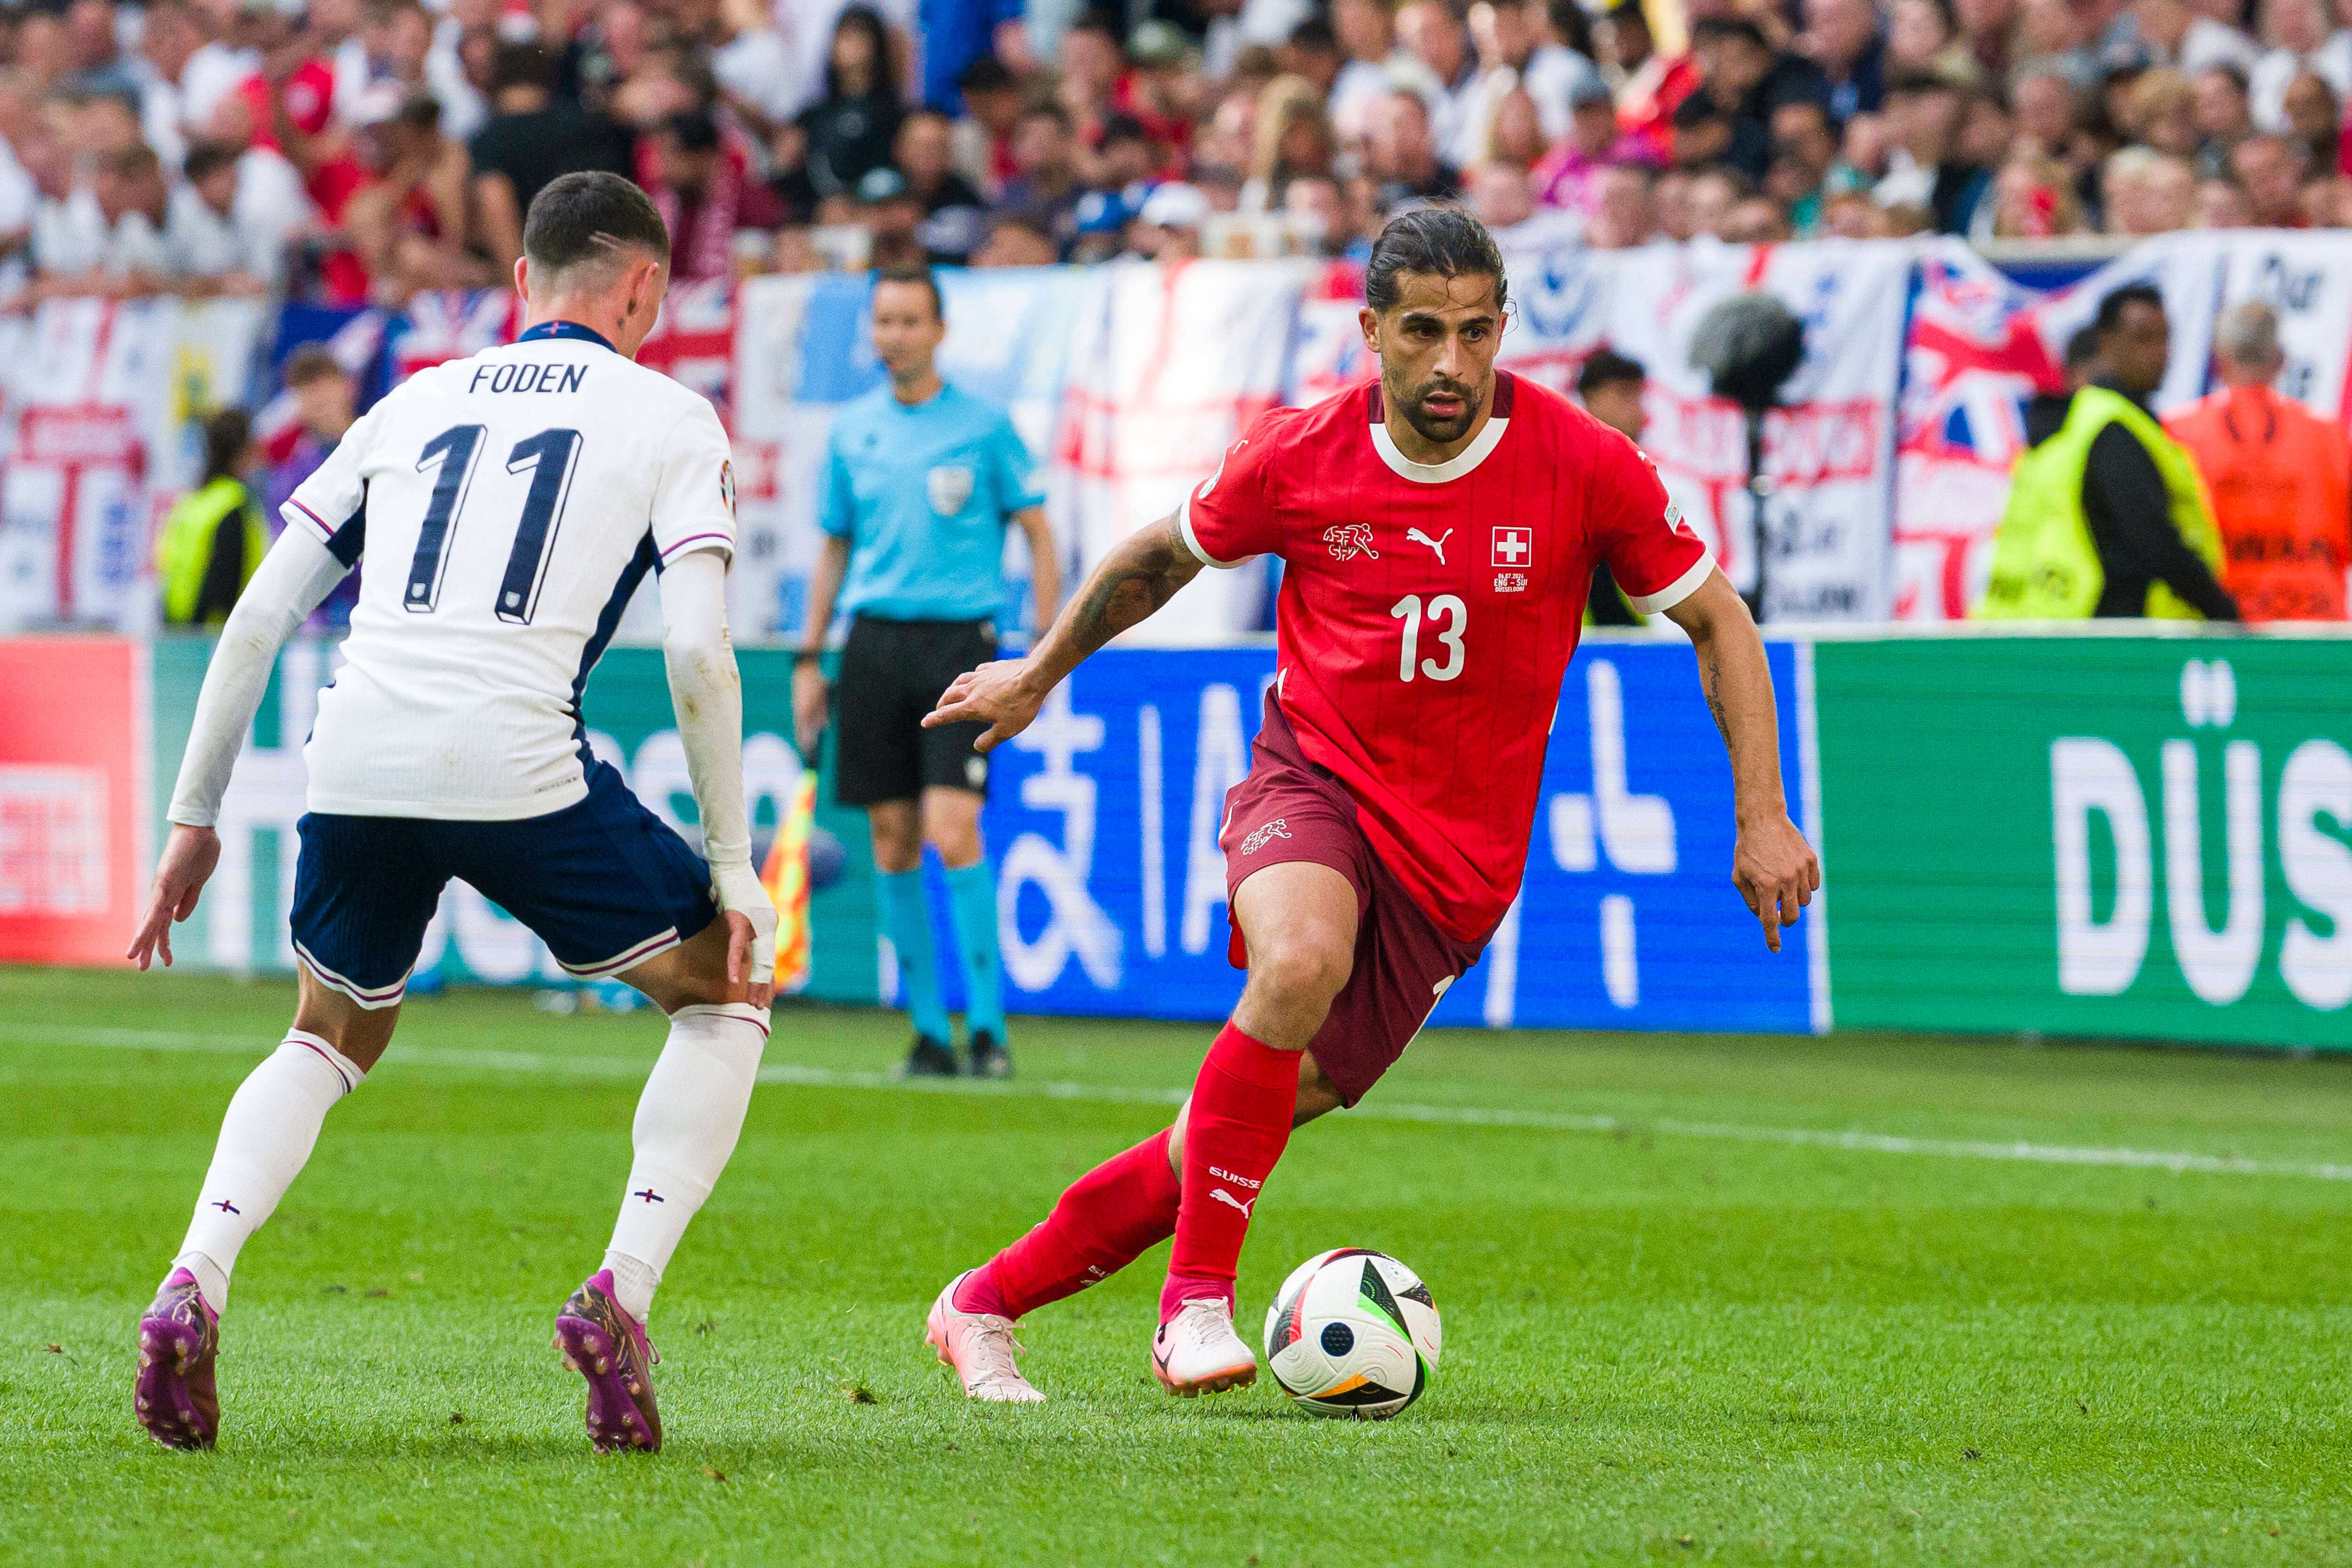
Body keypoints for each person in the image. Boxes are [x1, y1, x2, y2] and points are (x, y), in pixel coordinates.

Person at [919, 207, 1820, 1402]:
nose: (1451, 363)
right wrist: (1039, 672)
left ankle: (980, 1303)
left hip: (1458, 872)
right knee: (1295, 963)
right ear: (1372, 331)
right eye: (1422, 332)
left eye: (1476, 333)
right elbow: (1157, 559)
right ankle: (1193, 1307)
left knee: (1220, 1139)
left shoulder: (1581, 460)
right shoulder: (1299, 453)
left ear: (1503, 329)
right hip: (1314, 780)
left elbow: (1721, 619)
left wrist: (1762, 811)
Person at [126, 172, 778, 1456]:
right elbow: (700, 653)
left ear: (522, 284)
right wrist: (736, 860)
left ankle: (195, 1274)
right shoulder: (671, 416)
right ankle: (621, 1294)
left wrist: (190, 816)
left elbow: (258, 616)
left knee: (329, 1030)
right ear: (645, 289)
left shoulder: (411, 402)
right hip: (519, 758)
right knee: (724, 990)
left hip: (357, 751)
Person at [794, 266, 1060, 1081]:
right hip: (872, 643)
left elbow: (1039, 531)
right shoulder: (852, 430)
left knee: (954, 829)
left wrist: (1042, 650)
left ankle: (986, 1028)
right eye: (884, 321)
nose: (896, 335)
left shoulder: (982, 426)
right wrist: (812, 655)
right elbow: (836, 542)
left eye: (910, 320)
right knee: (892, 837)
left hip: (959, 647)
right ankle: (925, 1032)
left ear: (939, 330)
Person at [1979, 283, 2239, 620]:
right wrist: (2226, 615)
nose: (2160, 353)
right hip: (2099, 633)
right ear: (2106, 342)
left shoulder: (2073, 423)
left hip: (2037, 621)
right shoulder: (2113, 429)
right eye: (2143, 339)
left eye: (2165, 338)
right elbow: (2155, 543)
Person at [2166, 300, 2352, 621]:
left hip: (2217, 627)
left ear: (2219, 361)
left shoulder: (2176, 434)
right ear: (2280, 360)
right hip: (2314, 623)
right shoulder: (2331, 437)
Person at [156, 410, 266, 626]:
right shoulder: (236, 503)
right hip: (214, 636)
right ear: (244, 450)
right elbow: (224, 584)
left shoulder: (191, 502)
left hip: (177, 631)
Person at [1574, 348, 1649, 626]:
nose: (1638, 411)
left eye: (1639, 397)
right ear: (1589, 398)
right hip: (1573, 652)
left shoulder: (1650, 480)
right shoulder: (1556, 479)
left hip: (1642, 648)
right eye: (1624, 395)